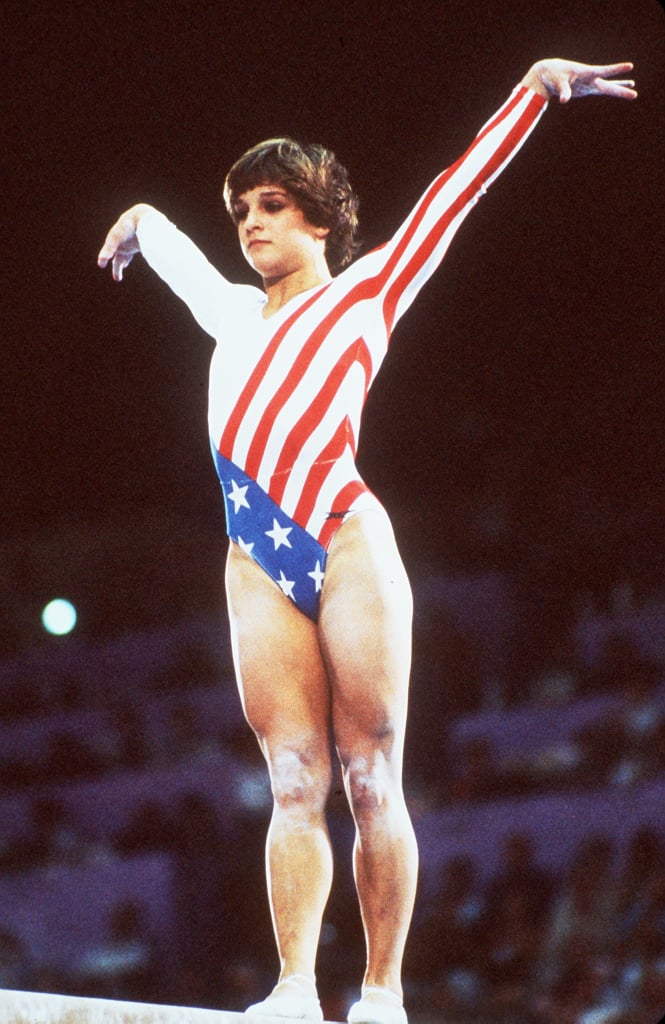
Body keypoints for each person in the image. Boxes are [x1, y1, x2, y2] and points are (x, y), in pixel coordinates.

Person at [98, 59, 636, 1024]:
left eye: (271, 205)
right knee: (293, 778)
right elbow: (166, 240)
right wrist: (136, 220)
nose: (251, 223)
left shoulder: (367, 292)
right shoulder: (227, 314)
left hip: (345, 538)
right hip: (256, 558)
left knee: (368, 770)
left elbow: (452, 193)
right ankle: (297, 989)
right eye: (241, 210)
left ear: (318, 219)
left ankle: (381, 991)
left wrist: (537, 88)